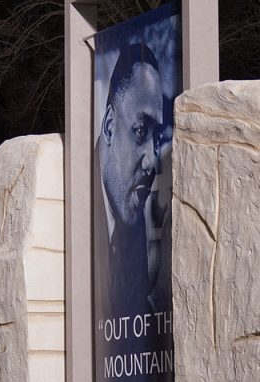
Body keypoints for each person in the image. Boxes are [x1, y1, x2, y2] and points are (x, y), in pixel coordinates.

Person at [94, 43, 165, 315]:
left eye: (157, 138)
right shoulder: (78, 203)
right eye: (140, 130)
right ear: (110, 127)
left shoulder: (129, 211)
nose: (151, 161)